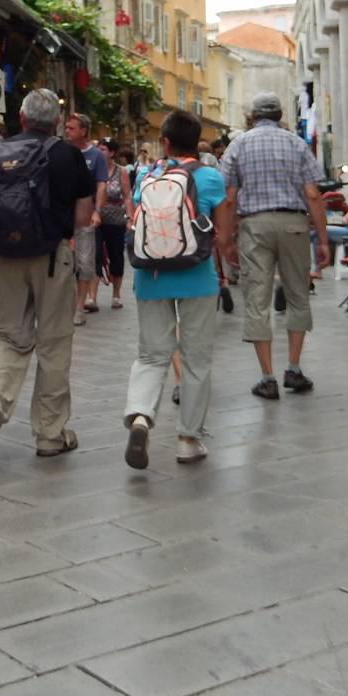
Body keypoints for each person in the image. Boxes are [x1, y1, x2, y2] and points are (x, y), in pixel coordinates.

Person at [0, 88, 94, 459]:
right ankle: (50, 435)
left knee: (8, 338)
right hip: (53, 258)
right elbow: (83, 218)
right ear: (57, 122)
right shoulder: (69, 155)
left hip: (4, 257)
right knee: (54, 345)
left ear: (21, 118)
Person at [123, 109, 234, 468]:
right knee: (196, 359)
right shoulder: (211, 178)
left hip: (151, 277)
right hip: (197, 277)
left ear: (165, 143)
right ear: (197, 142)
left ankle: (141, 417)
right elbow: (223, 236)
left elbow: (137, 220)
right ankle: (188, 439)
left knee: (151, 355)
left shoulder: (146, 176)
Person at [220, 91, 329, 400]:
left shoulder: (238, 145)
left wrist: (226, 239)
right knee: (298, 296)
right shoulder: (297, 143)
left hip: (254, 226)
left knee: (257, 299)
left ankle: (267, 377)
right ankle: (293, 368)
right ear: (280, 115)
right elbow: (313, 195)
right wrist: (322, 240)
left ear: (252, 117)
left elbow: (229, 198)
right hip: (294, 223)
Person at [63, 112, 109, 320]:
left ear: (83, 131)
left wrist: (97, 211)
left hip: (85, 217)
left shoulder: (95, 156)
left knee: (85, 262)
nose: (67, 131)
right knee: (63, 262)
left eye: (71, 128)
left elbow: (101, 185)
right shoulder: (61, 151)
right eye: (66, 127)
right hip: (62, 217)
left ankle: (79, 307)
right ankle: (66, 304)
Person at [95, 137, 131, 310]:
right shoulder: (94, 168)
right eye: (98, 148)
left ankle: (116, 294)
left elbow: (127, 196)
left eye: (103, 149)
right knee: (94, 256)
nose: (99, 152)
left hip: (116, 220)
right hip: (96, 219)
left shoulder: (120, 171)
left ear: (112, 153)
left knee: (116, 256)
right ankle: (91, 297)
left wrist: (130, 218)